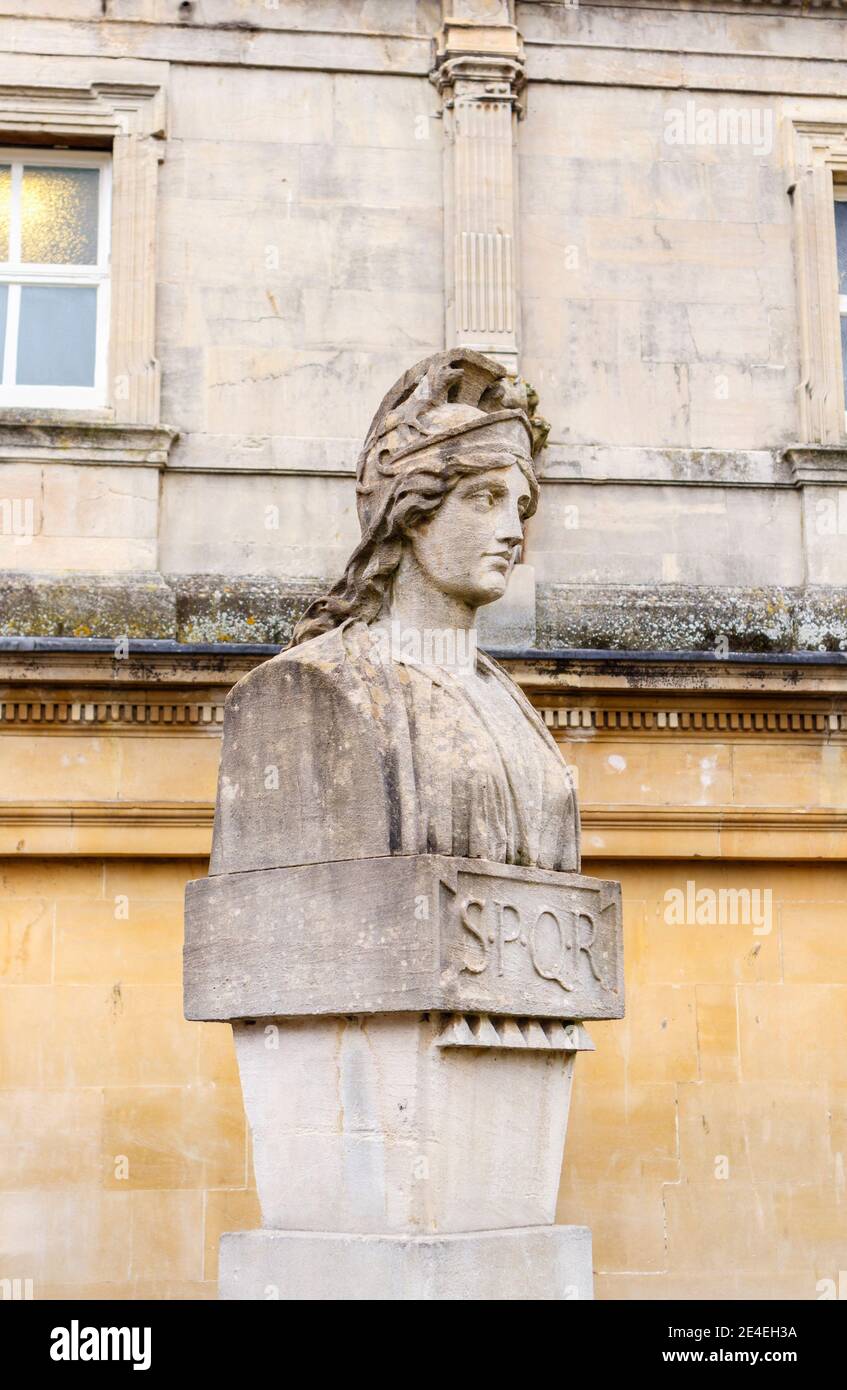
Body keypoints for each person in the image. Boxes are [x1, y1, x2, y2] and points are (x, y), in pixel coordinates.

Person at [210, 349, 580, 876]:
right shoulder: (311, 685)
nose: (513, 533)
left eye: (519, 508)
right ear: (410, 513)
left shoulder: (509, 702)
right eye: (485, 499)